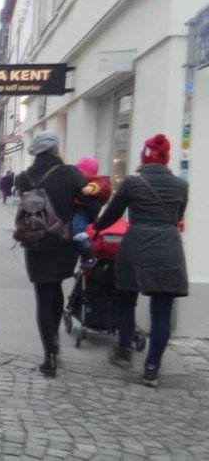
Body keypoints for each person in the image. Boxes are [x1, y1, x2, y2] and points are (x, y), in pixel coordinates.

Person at [93, 134, 188, 387]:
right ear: (166, 158)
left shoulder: (132, 183)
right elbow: (179, 216)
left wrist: (96, 227)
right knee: (162, 312)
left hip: (135, 247)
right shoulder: (181, 185)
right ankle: (152, 368)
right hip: (168, 248)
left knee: (126, 300)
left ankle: (124, 349)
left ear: (144, 157)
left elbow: (112, 214)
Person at [14, 132, 86, 377]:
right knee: (55, 287)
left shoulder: (23, 178)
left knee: (43, 295)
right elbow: (90, 203)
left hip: (35, 242)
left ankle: (49, 355)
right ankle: (54, 340)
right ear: (56, 150)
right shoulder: (70, 173)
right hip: (63, 242)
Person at [72, 157, 112, 268]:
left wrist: (92, 187)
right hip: (78, 210)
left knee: (77, 231)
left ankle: (88, 255)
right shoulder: (78, 180)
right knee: (77, 231)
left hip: (82, 210)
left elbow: (102, 186)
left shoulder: (97, 181)